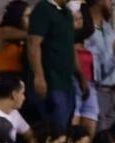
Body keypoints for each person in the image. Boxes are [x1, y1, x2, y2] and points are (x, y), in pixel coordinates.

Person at [26, 0, 79, 131]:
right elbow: (33, 44)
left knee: (65, 129)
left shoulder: (67, 13)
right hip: (51, 83)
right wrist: (39, 77)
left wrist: (80, 77)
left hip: (67, 83)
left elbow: (70, 46)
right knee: (55, 130)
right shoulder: (43, 8)